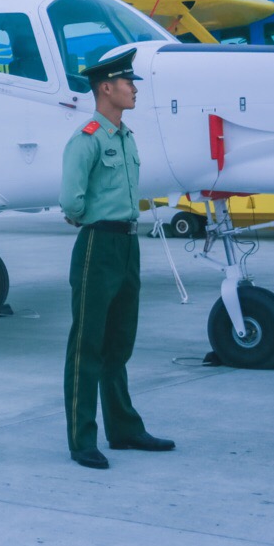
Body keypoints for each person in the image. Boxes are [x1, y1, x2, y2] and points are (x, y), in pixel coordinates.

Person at [59, 46, 174, 469]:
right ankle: (81, 439)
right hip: (98, 245)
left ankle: (124, 429)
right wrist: (85, 217)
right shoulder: (87, 138)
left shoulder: (126, 138)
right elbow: (70, 199)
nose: (133, 89)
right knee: (87, 344)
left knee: (120, 343)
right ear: (105, 88)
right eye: (127, 83)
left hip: (128, 243)